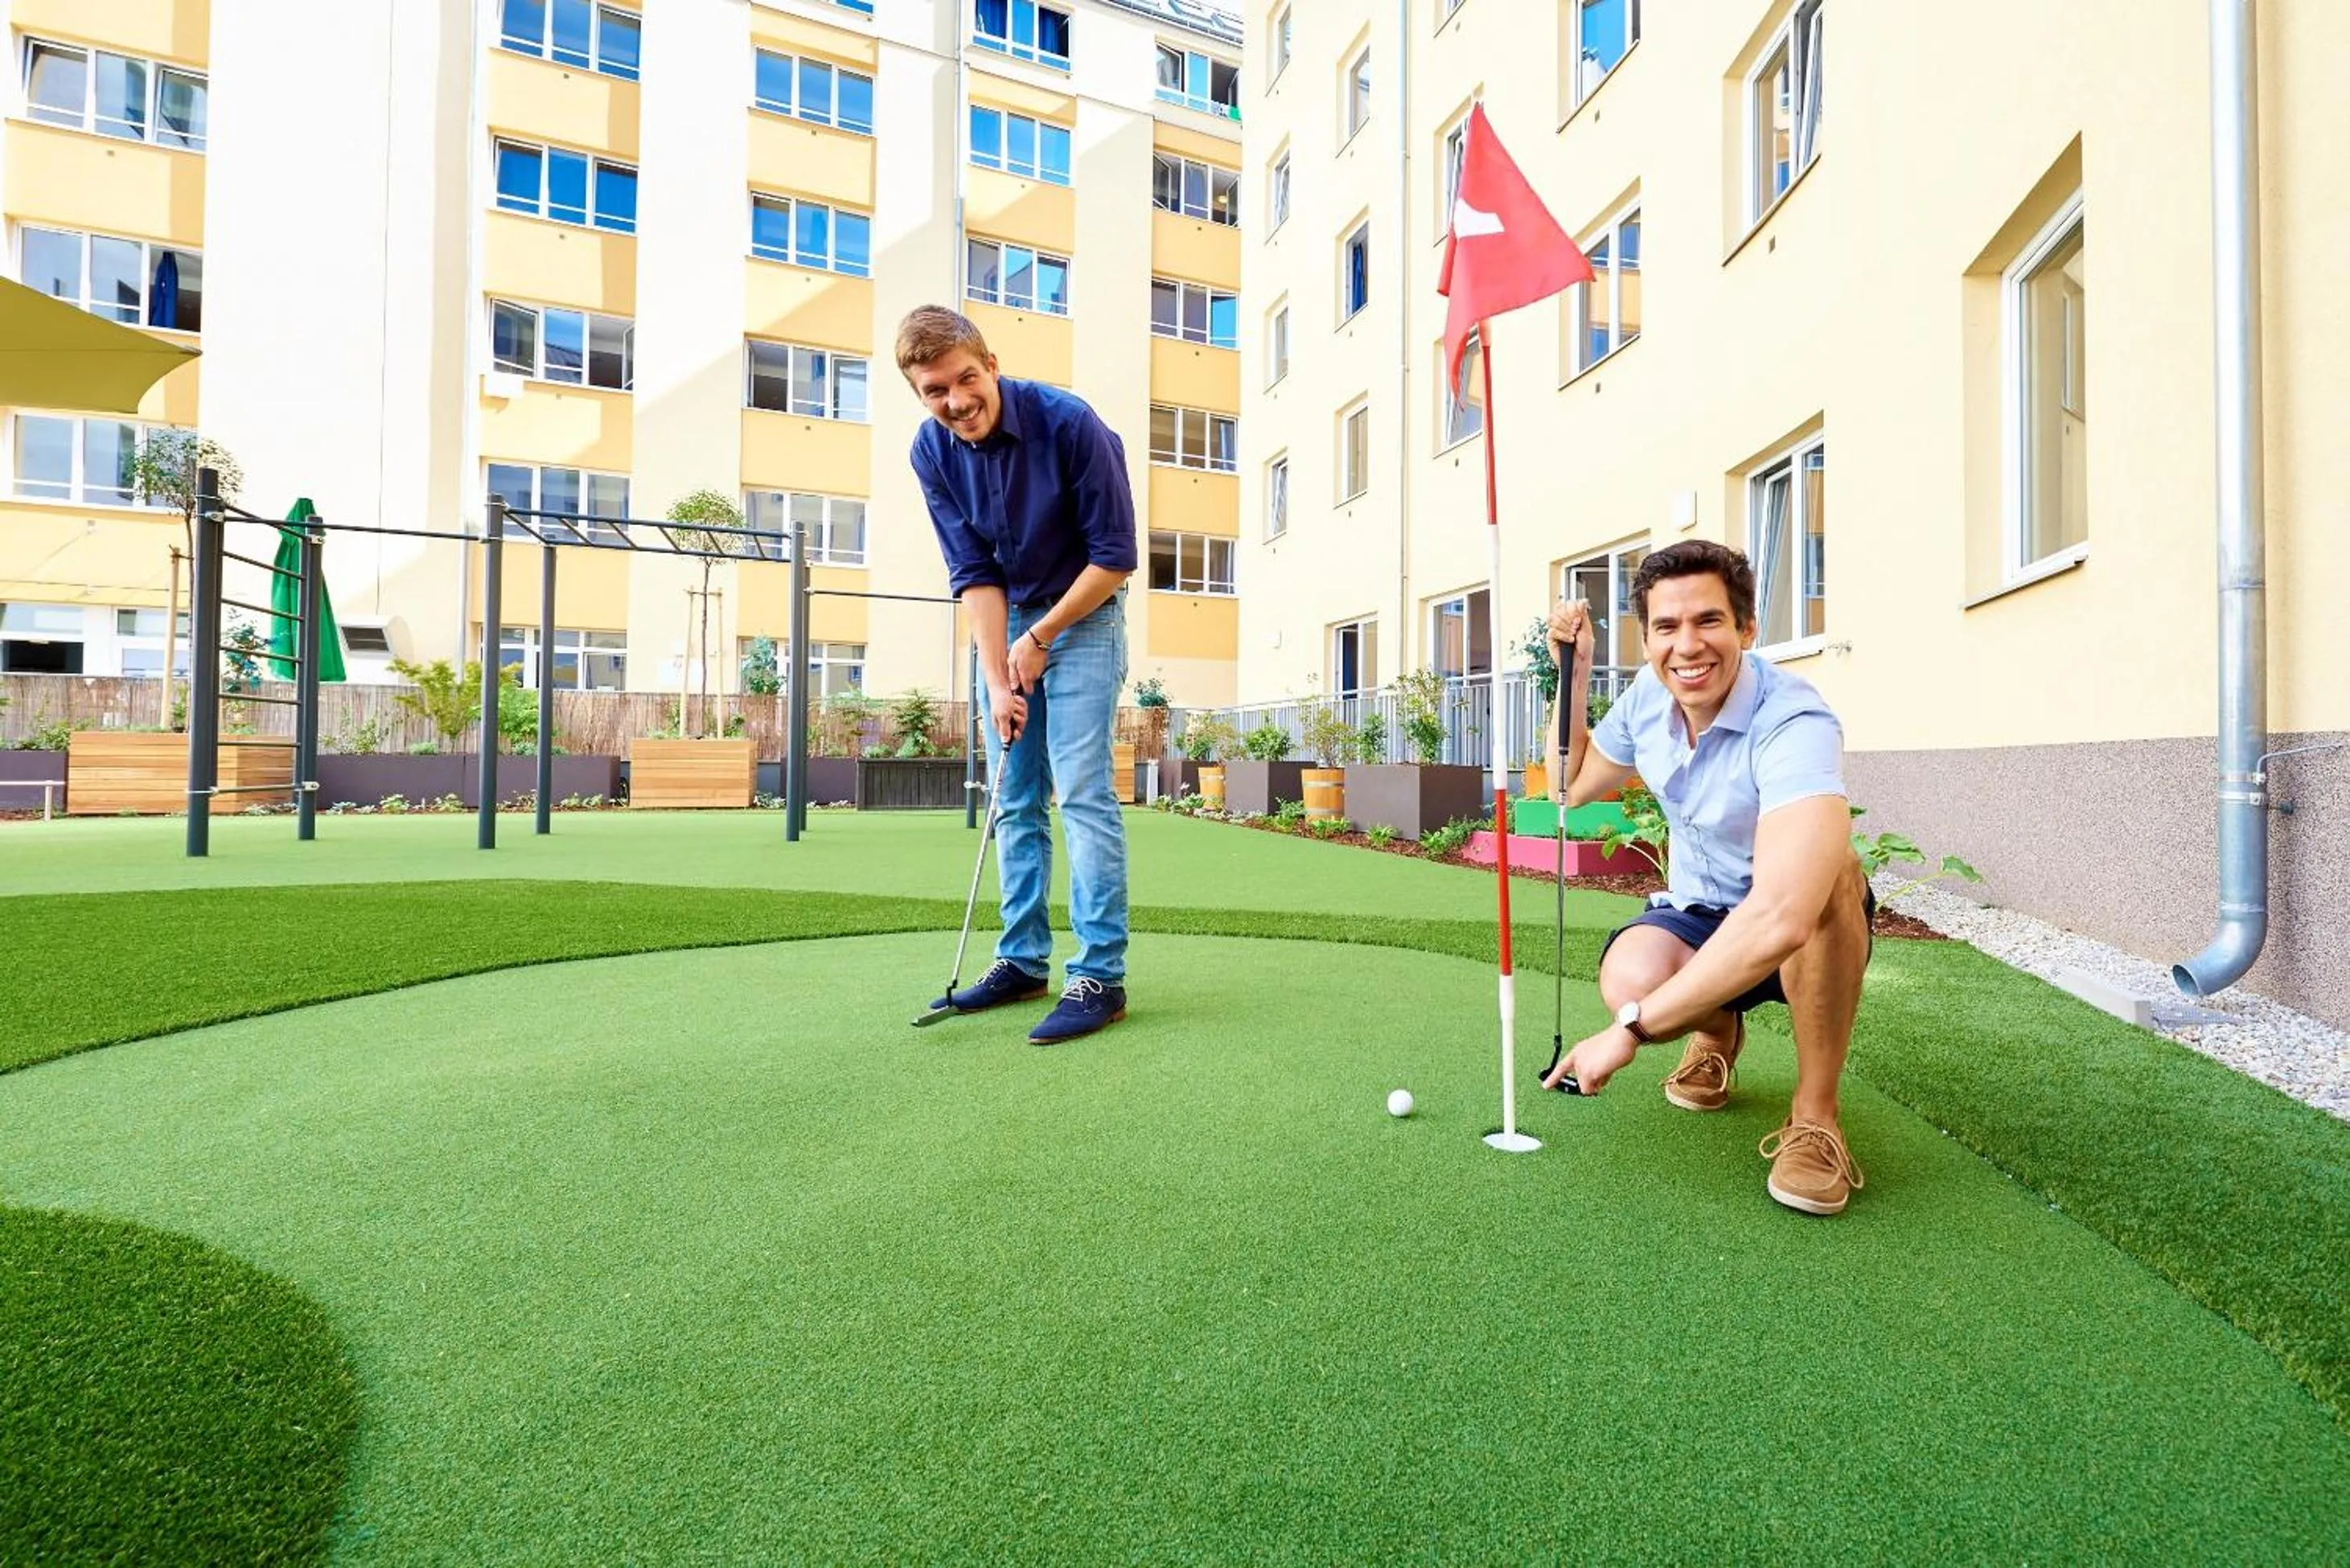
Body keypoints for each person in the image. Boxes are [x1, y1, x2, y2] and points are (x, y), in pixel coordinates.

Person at [1541, 540, 1875, 1215]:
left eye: (1708, 622)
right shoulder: (1645, 699)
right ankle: (1717, 1032)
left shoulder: (1793, 718)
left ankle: (1815, 1115)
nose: (1687, 646)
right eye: (1666, 627)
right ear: (1647, 639)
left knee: (1831, 877)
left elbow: (1781, 913)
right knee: (1629, 978)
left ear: (1747, 629)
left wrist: (1628, 1034)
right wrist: (1572, 678)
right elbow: (1567, 787)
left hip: (1797, 923)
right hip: (1699, 910)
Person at [898, 306, 1137, 1045]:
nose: (956, 401)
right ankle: (1021, 960)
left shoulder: (1071, 424)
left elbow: (1116, 556)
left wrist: (1039, 638)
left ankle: (1099, 974)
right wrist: (999, 676)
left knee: (1084, 794)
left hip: (1085, 614)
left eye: (965, 379)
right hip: (1008, 625)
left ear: (990, 363)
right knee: (1014, 796)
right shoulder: (931, 453)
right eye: (935, 391)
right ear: (919, 392)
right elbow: (973, 572)